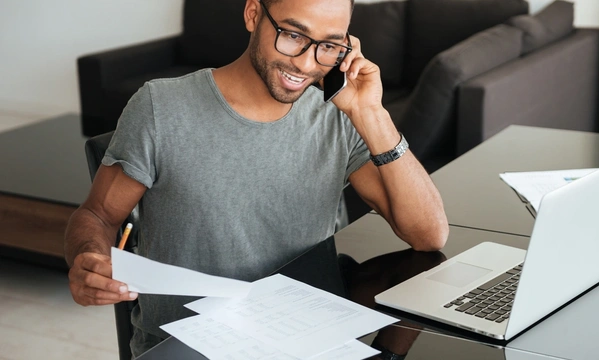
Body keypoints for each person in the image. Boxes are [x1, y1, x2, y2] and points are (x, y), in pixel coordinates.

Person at [64, 0, 449, 356]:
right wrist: (88, 258)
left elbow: (429, 235)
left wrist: (372, 114)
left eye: (329, 46)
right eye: (293, 36)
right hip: (190, 346)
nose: (306, 63)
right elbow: (97, 216)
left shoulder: (337, 116)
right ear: (252, 14)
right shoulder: (160, 108)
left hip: (306, 338)